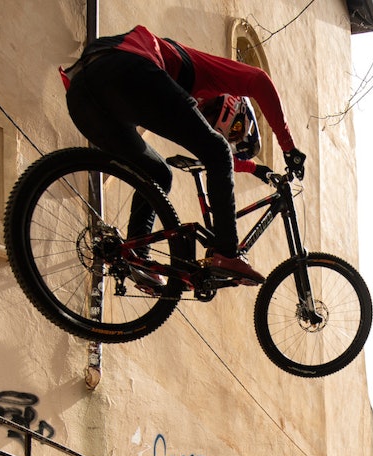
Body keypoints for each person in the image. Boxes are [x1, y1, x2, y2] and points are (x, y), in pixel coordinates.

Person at [61, 25, 307, 285]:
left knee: (158, 174)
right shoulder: (208, 74)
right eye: (211, 113)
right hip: (125, 68)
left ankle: (137, 256)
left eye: (209, 121)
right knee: (217, 149)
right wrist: (288, 148)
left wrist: (254, 168)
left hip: (82, 97)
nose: (204, 115)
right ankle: (227, 253)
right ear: (230, 100)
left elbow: (218, 159)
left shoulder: (165, 94)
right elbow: (259, 80)